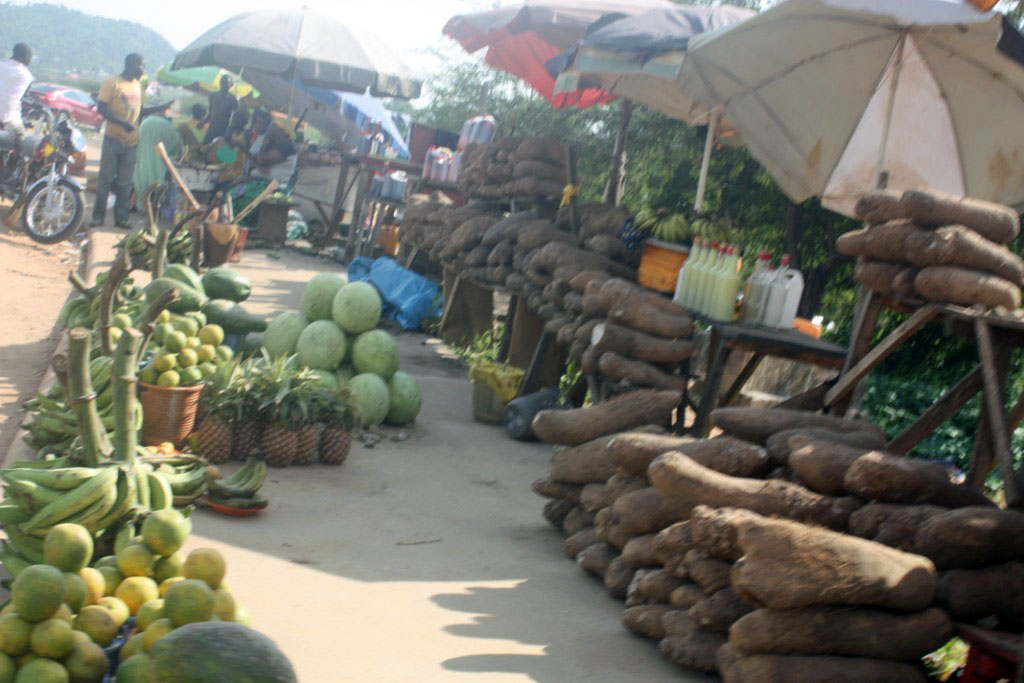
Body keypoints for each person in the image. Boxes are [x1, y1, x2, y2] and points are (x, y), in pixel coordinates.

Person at [92, 53, 158, 228]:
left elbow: (140, 111)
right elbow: (101, 108)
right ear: (132, 64)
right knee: (105, 180)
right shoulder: (112, 83)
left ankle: (122, 219)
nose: (144, 70)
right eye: (142, 66)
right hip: (113, 139)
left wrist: (160, 108)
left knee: (125, 184)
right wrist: (122, 123)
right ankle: (98, 217)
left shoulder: (137, 86)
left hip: (131, 143)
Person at [133, 101, 181, 202]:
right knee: (159, 182)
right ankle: (157, 204)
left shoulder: (146, 122)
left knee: (142, 180)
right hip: (159, 163)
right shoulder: (169, 126)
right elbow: (177, 147)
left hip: (142, 158)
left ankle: (141, 202)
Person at [248, 108, 296, 187]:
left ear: (281, 130)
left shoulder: (285, 145)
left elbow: (261, 160)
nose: (271, 129)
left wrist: (265, 141)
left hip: (275, 183)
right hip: (267, 179)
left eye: (274, 127)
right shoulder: (278, 143)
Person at [0, 43, 33, 135]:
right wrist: (2, 121)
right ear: (26, 56)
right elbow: (12, 99)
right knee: (22, 136)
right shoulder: (24, 75)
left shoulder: (1, 65)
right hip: (7, 121)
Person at [203, 75, 237, 143]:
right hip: (212, 129)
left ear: (231, 84)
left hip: (224, 130)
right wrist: (203, 122)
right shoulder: (213, 95)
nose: (223, 85)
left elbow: (234, 118)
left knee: (217, 151)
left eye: (225, 82)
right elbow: (210, 114)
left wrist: (230, 132)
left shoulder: (234, 99)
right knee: (203, 148)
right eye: (222, 82)